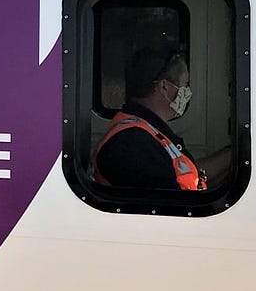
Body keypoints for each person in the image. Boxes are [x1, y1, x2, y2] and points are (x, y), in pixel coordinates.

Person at [94, 47, 229, 189]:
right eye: (185, 85)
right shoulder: (132, 143)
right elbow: (168, 198)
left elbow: (188, 175)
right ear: (164, 87)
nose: (187, 93)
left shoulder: (148, 132)